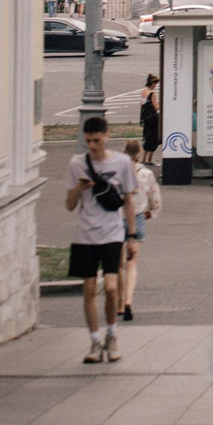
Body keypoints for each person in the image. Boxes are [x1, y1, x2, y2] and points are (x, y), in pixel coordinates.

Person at [62, 114, 138, 363]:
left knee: (112, 287)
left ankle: (112, 335)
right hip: (85, 235)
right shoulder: (77, 164)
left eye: (96, 140)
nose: (93, 146)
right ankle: (95, 341)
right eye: (88, 141)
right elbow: (70, 205)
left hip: (112, 233)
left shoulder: (122, 162)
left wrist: (132, 236)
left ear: (106, 136)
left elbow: (128, 200)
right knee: (89, 289)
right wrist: (78, 189)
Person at [118, 138, 162, 321]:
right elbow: (155, 198)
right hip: (137, 218)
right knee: (132, 262)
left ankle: (119, 303)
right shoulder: (146, 174)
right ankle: (129, 300)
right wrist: (151, 212)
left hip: (117, 217)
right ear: (139, 153)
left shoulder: (117, 172)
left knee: (118, 263)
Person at [138, 74, 164, 168]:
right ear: (152, 83)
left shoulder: (143, 92)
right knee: (154, 138)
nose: (155, 85)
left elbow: (141, 105)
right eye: (155, 83)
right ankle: (149, 159)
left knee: (147, 137)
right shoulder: (152, 94)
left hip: (145, 118)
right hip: (153, 119)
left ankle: (143, 159)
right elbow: (156, 107)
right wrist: (162, 104)